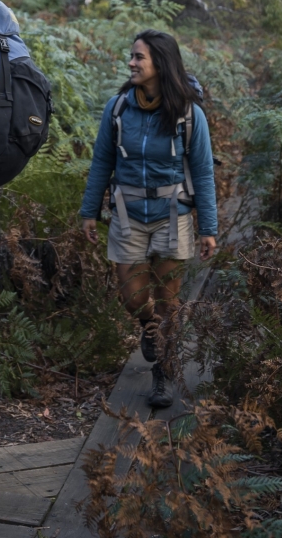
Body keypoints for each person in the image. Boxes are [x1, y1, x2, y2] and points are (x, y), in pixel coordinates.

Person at [80, 29, 217, 408]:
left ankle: (162, 372)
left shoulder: (189, 113)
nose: (131, 63)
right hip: (127, 213)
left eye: (139, 57)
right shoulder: (118, 108)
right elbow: (101, 162)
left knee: (168, 301)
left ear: (161, 62)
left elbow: (203, 171)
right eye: (132, 56)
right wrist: (89, 211)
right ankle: (148, 327)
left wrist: (209, 228)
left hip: (173, 214)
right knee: (135, 297)